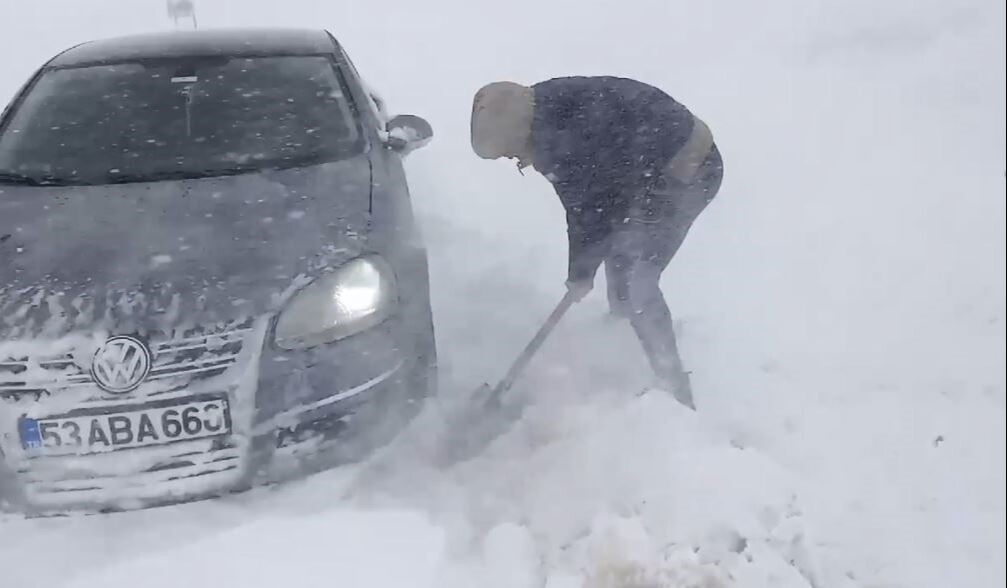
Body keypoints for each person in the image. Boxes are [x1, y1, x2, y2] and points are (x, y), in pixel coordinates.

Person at [469, 76, 724, 408]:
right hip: (646, 172)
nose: (514, 159)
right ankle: (621, 332)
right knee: (620, 252)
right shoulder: (543, 112)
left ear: (518, 132)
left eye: (508, 151)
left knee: (638, 280)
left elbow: (588, 209)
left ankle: (673, 385)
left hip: (688, 168)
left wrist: (580, 274)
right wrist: (583, 269)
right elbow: (589, 208)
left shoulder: (562, 137)